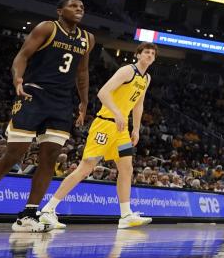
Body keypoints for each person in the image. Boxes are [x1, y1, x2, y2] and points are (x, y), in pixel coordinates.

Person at [0, 0, 94, 232]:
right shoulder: (47, 28)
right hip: (34, 95)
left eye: (82, 6)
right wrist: (18, 77)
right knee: (13, 155)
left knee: (50, 159)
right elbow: (22, 56)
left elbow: (82, 71)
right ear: (60, 11)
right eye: (73, 6)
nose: (79, 9)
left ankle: (28, 214)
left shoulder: (87, 38)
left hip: (60, 103)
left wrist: (84, 101)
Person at [38, 43, 157, 230]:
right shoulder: (128, 71)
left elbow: (138, 104)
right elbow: (103, 93)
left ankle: (125, 214)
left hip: (122, 130)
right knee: (85, 169)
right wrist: (118, 113)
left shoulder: (147, 78)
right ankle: (48, 210)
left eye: (152, 53)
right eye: (146, 52)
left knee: (127, 169)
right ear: (138, 55)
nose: (150, 55)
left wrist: (136, 128)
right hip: (105, 124)